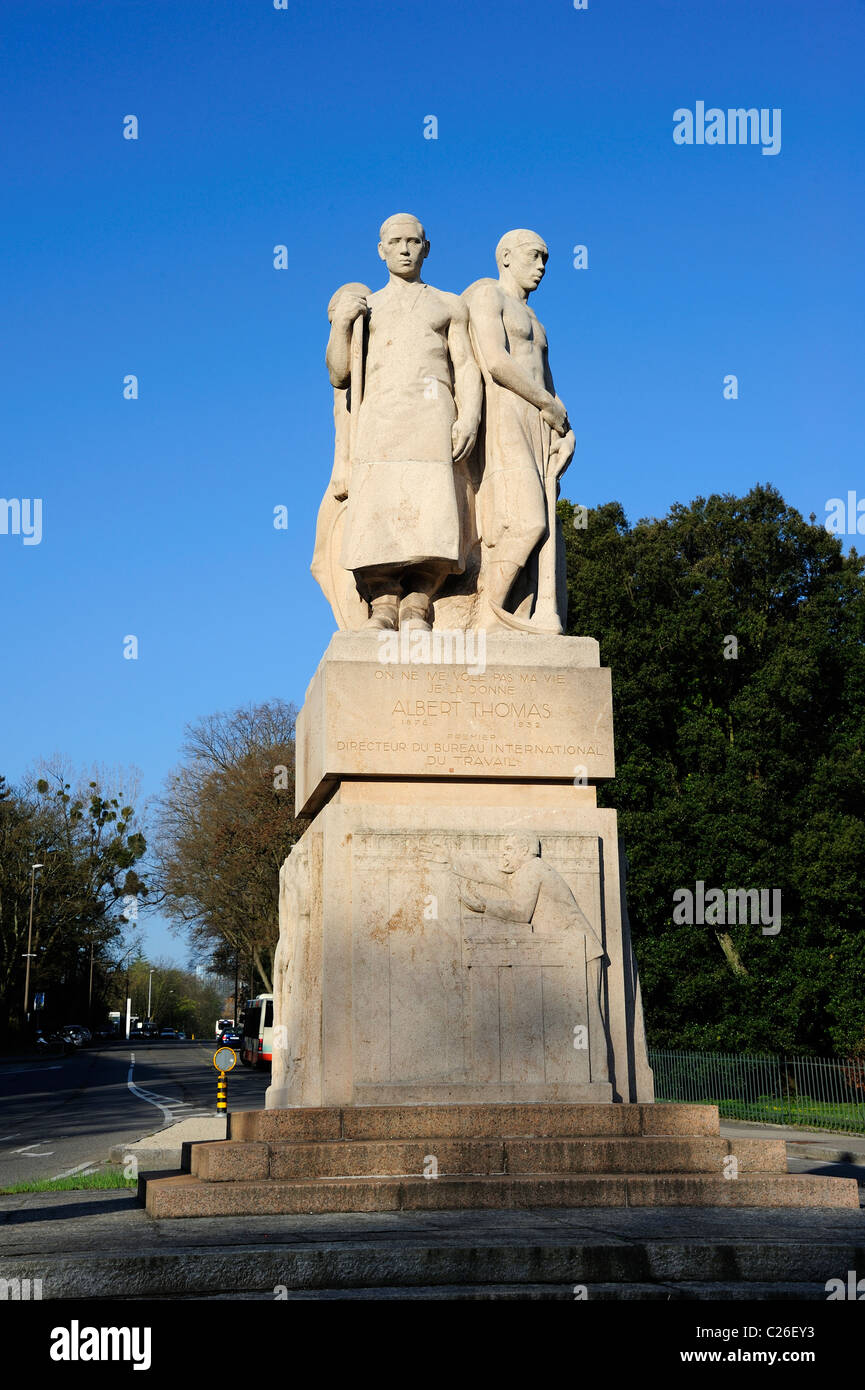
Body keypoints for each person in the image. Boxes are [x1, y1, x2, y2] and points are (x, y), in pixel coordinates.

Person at [326, 213, 482, 631]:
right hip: (380, 420)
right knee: (380, 511)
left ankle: (418, 603)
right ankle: (382, 602)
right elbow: (339, 374)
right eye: (396, 242)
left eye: (414, 241)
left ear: (426, 248)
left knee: (432, 513)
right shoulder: (366, 307)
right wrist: (341, 325)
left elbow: (466, 365)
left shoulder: (449, 303)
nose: (405, 249)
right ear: (381, 250)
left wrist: (469, 416)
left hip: (433, 417)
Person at [464, 230, 575, 629]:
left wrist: (567, 431)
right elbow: (494, 361)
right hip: (507, 411)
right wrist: (546, 404)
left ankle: (514, 618)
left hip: (541, 421)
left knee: (546, 537)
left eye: (546, 258)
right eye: (535, 256)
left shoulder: (535, 320)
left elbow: (549, 384)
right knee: (527, 521)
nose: (542, 267)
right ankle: (483, 618)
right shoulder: (487, 296)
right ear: (507, 257)